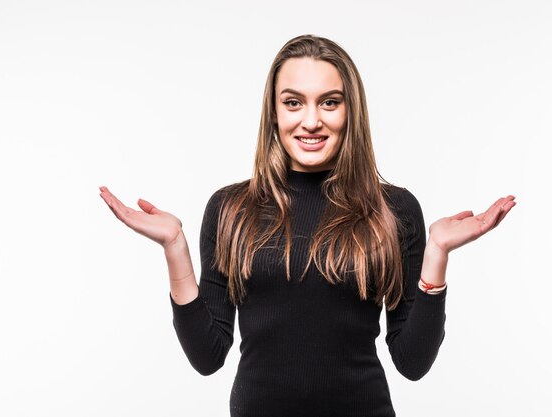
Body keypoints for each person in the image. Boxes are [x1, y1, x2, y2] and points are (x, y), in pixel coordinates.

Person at [99, 34, 516, 417]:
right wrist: (175, 247)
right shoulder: (231, 208)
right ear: (274, 112)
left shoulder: (395, 209)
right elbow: (207, 356)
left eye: (329, 102)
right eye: (294, 102)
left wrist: (436, 256)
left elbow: (412, 363)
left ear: (350, 111)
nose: (311, 121)